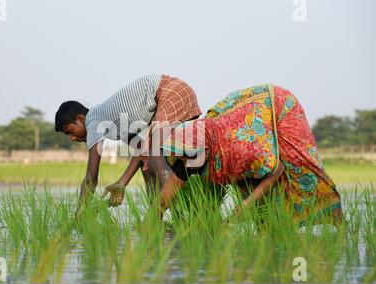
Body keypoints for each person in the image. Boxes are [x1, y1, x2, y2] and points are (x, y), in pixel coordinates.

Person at [159, 84, 342, 225]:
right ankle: (269, 228)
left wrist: (246, 204)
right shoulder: (188, 149)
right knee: (249, 183)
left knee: (300, 169)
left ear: (206, 152)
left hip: (279, 107)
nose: (185, 163)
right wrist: (151, 221)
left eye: (189, 158)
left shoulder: (242, 149)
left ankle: (339, 225)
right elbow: (167, 194)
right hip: (243, 111)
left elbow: (276, 169)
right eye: (182, 157)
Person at [54, 74, 201, 213]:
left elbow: (90, 179)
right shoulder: (112, 122)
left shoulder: (92, 121)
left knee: (156, 158)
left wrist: (80, 212)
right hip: (178, 92)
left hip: (171, 92)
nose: (72, 138)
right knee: (148, 164)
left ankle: (182, 219)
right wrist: (121, 184)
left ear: (80, 119)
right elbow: (142, 152)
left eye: (70, 132)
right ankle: (157, 218)